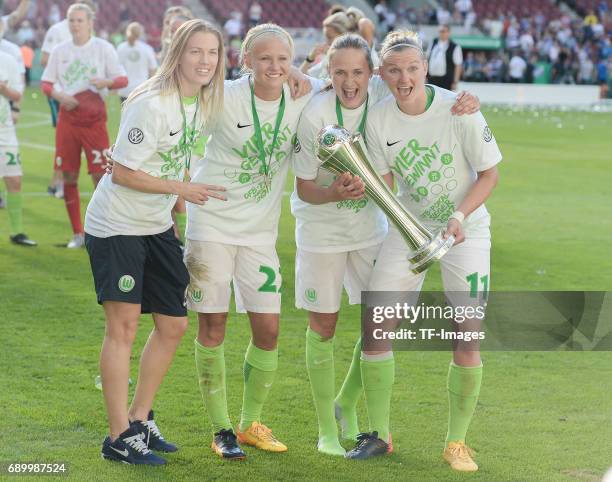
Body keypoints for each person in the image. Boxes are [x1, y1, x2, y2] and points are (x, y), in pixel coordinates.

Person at [293, 33, 480, 458]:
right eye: (340, 72)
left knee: (378, 324)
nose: (349, 80)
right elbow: (304, 187)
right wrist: (335, 193)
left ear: (370, 74)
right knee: (324, 326)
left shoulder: (385, 89)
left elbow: (416, 83)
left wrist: (468, 99)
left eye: (358, 71)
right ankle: (328, 428)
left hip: (373, 229)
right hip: (322, 230)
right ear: (330, 73)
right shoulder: (316, 112)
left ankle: (348, 405)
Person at [351, 30, 501, 470]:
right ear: (382, 74)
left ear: (425, 68)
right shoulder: (378, 119)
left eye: (412, 68)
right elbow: (386, 183)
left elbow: (490, 175)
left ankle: (457, 442)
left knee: (467, 335)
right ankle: (379, 434)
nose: (404, 78)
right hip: (409, 231)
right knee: (376, 326)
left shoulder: (459, 109)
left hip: (466, 230)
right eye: (394, 70)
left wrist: (458, 218)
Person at [83, 18, 227, 465]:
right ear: (177, 54)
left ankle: (140, 418)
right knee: (123, 327)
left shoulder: (203, 100)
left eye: (213, 53)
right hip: (116, 226)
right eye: (196, 51)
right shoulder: (151, 103)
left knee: (173, 324)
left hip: (156, 225)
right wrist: (181, 192)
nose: (205, 61)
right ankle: (117, 437)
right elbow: (121, 171)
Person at [185, 23, 320, 461]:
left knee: (268, 329)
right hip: (211, 226)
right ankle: (222, 427)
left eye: (283, 59)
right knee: (214, 325)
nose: (275, 67)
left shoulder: (302, 95)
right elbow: (178, 119)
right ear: (246, 62)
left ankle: (250, 423)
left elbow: (350, 81)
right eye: (265, 59)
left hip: (259, 235)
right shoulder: (223, 96)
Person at [41, 3, 128, 248]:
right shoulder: (60, 50)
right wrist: (60, 96)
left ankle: (104, 231)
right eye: (71, 20)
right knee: (68, 175)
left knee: (101, 176)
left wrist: (105, 81)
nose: (75, 24)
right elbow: (47, 84)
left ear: (90, 22)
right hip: (68, 120)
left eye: (80, 20)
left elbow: (122, 79)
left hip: (94, 120)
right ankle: (78, 233)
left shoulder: (103, 48)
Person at [40, 0, 98, 199]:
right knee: (63, 140)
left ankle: (57, 183)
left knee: (74, 143)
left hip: (86, 99)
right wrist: (61, 87)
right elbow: (44, 60)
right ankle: (57, 184)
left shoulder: (92, 38)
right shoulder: (57, 31)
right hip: (61, 94)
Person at [0, 50, 36, 246]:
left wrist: (3, 89)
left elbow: (17, 94)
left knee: (14, 180)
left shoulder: (7, 60)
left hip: (5, 132)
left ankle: (17, 232)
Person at [117, 22, 158, 104]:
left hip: (125, 90)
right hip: (141, 89)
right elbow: (153, 69)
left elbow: (117, 69)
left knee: (126, 115)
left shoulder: (120, 48)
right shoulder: (147, 49)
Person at [427, 24, 463, 91]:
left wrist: (455, 82)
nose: (441, 33)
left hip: (446, 80)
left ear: (448, 33)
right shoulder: (433, 42)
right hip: (431, 79)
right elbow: (427, 58)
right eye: (440, 31)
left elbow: (458, 66)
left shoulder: (455, 47)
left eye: (443, 31)